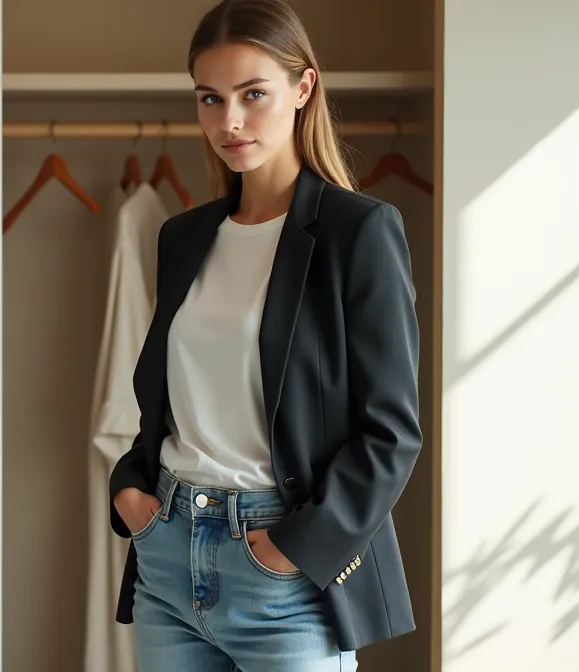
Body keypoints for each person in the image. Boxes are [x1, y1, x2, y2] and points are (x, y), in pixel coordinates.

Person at [108, 1, 422, 670]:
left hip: (283, 571)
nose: (229, 121)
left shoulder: (358, 232)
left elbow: (391, 432)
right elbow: (171, 396)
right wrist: (132, 494)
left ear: (303, 88)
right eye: (210, 98)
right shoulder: (182, 237)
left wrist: (291, 549)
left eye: (253, 94)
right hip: (167, 558)